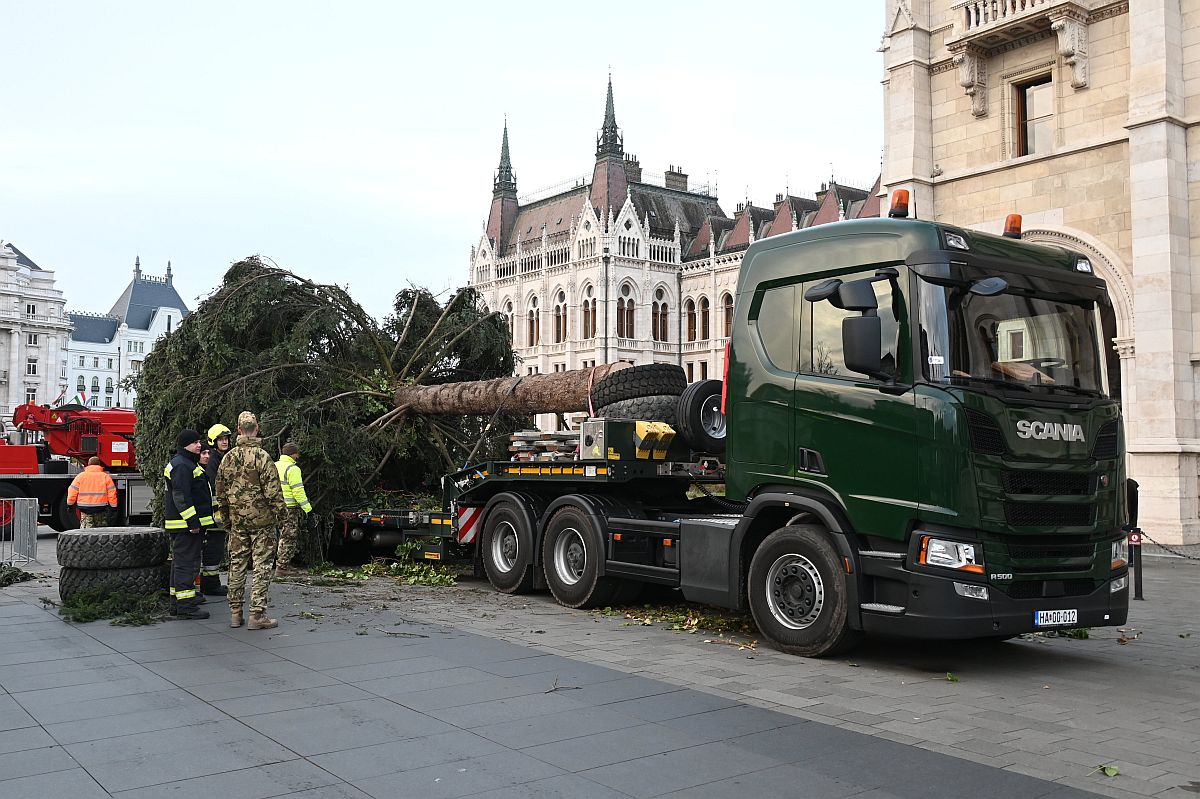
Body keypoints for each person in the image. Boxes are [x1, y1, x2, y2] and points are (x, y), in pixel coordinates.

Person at [217, 410, 286, 630]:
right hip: (262, 522)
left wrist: (227, 518)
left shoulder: (228, 457)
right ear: (256, 429)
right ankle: (257, 614)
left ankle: (235, 613)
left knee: (236, 565)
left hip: (238, 522)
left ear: (238, 430)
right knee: (262, 567)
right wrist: (283, 518)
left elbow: (220, 491)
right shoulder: (263, 457)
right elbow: (274, 493)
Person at [164, 428, 214, 620]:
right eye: (195, 443)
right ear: (186, 445)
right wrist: (192, 521)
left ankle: (178, 602)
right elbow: (181, 496)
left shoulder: (185, 463)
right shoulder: (183, 466)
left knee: (181, 564)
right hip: (186, 526)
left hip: (184, 525)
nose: (199, 445)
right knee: (186, 565)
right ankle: (185, 607)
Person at [200, 422, 233, 597]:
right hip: (214, 514)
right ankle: (210, 585)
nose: (224, 442)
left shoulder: (224, 457)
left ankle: (210, 583)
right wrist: (218, 512)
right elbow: (214, 487)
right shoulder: (213, 460)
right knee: (213, 549)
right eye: (220, 439)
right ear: (214, 441)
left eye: (226, 438)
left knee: (216, 550)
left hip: (220, 511)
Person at [274, 442, 312, 577]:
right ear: (293, 454)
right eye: (297, 453)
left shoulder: (274, 466)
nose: (298, 456)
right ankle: (282, 567)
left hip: (274, 508)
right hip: (289, 509)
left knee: (278, 536)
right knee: (288, 537)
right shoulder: (293, 469)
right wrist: (308, 509)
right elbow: (298, 491)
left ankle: (280, 564)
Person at [196, 446, 227, 596]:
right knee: (210, 553)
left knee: (215, 553)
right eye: (203, 453)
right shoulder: (199, 472)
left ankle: (211, 584)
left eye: (208, 453)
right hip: (210, 521)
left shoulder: (205, 471)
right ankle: (209, 585)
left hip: (212, 520)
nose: (207, 456)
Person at [66, 456, 118, 528]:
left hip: (85, 508)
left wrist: (70, 505)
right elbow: (112, 494)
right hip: (101, 508)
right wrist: (113, 507)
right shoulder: (106, 477)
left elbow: (72, 492)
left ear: (88, 464)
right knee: (101, 532)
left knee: (86, 533)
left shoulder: (80, 476)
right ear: (99, 465)